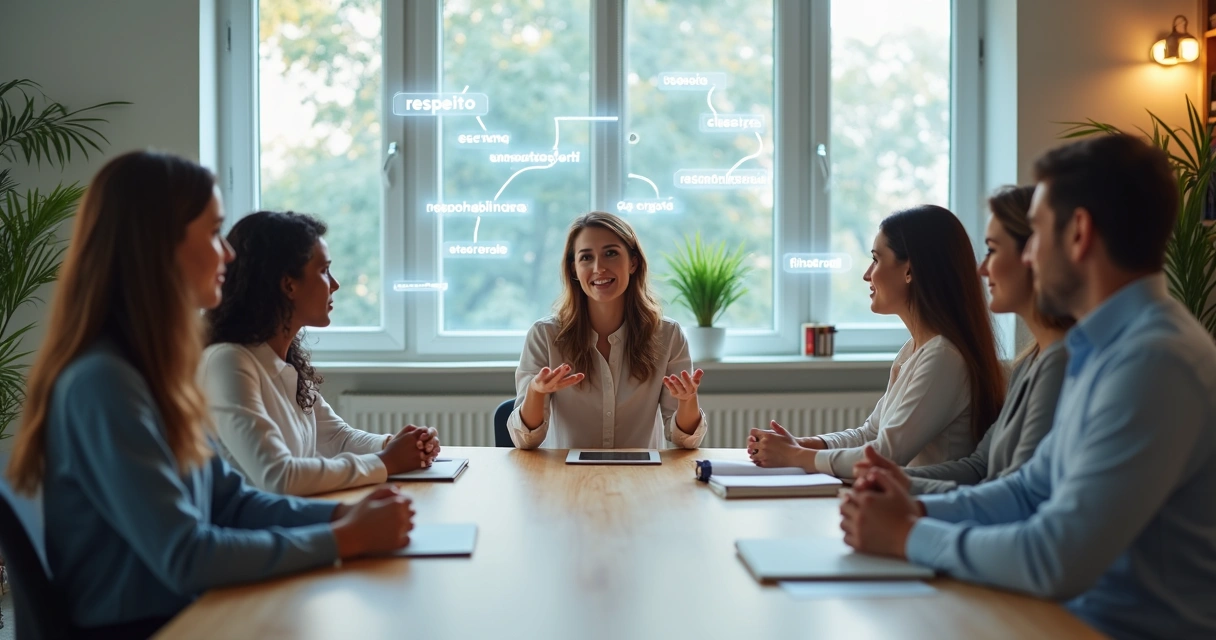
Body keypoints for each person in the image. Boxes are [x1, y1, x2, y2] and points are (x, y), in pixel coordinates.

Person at [6, 151, 416, 637]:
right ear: (159, 247)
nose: (227, 253)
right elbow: (187, 555)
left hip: (185, 612)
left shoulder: (153, 372)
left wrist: (347, 515)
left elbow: (232, 502)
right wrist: (342, 537)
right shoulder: (104, 383)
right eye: (214, 233)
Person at [840, 134, 1216, 640]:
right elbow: (1026, 491)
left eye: (1034, 234)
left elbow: (1054, 557)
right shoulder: (1100, 348)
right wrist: (913, 508)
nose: (1027, 256)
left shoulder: (1154, 362)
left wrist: (908, 534)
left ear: (1079, 233)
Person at [749, 205, 1005, 478]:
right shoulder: (915, 349)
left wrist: (796, 456)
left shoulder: (943, 357)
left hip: (926, 507)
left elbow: (887, 454)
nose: (867, 274)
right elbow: (869, 433)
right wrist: (802, 445)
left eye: (876, 259)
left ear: (910, 270)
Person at [853, 186, 1074, 494]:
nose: (982, 269)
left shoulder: (1062, 363)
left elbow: (1017, 495)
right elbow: (980, 467)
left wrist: (907, 502)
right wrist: (895, 482)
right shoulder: (1029, 362)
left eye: (993, 250)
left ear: (1036, 256)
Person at [202, 211, 439, 496]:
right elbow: (280, 477)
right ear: (289, 284)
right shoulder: (228, 363)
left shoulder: (284, 361)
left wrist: (394, 445)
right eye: (324, 270)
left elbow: (337, 438)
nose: (335, 284)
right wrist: (388, 460)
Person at [507, 211, 708, 449]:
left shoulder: (668, 335)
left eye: (611, 254)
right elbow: (525, 440)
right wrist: (536, 391)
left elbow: (684, 440)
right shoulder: (545, 336)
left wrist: (687, 400)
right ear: (574, 270)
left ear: (632, 262)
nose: (599, 267)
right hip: (566, 480)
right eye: (586, 258)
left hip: (642, 479)